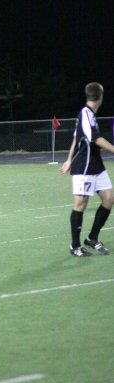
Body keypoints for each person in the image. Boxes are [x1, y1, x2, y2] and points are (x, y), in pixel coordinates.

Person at [60, 82, 114, 256]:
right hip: (84, 166)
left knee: (109, 198)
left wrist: (68, 159)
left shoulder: (89, 114)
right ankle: (75, 246)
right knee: (80, 204)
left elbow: (76, 138)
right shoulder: (85, 113)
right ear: (100, 97)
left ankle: (92, 237)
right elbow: (94, 138)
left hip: (96, 164)